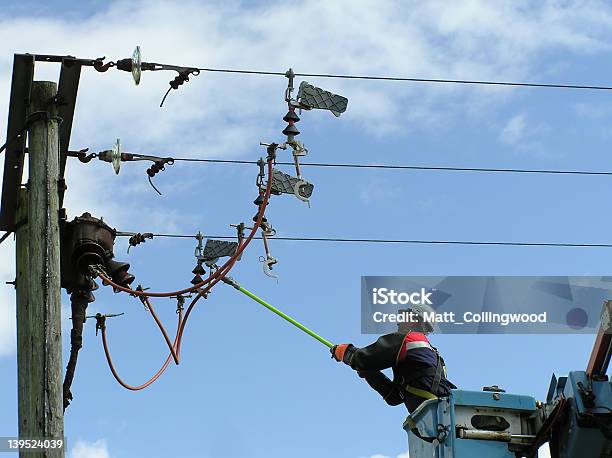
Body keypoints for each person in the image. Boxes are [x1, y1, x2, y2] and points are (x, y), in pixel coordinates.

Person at [331, 306, 456, 412]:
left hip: (434, 414)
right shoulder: (433, 355)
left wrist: (344, 351)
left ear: (413, 320)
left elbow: (363, 358)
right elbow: (394, 397)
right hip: (441, 413)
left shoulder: (408, 339)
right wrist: (368, 372)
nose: (398, 322)